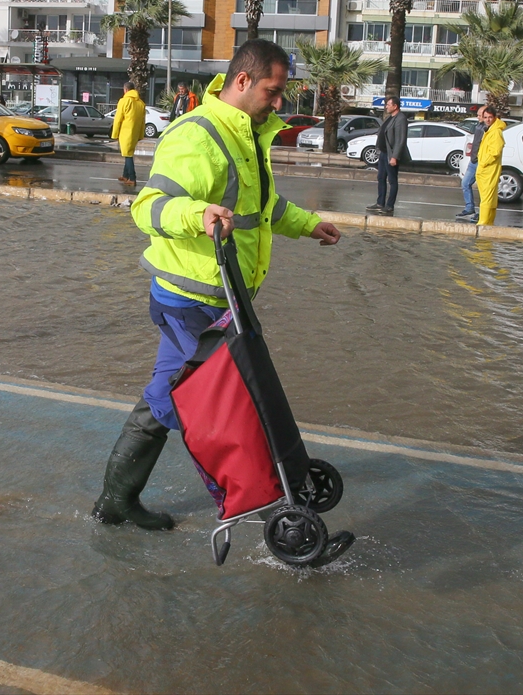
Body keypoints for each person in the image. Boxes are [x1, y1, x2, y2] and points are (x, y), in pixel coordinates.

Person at [92, 39, 343, 536]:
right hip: (191, 300)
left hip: (222, 298)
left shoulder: (249, 133)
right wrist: (197, 214)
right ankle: (278, 513)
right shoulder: (197, 135)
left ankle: (116, 500)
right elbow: (149, 207)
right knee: (237, 404)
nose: (279, 103)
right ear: (243, 81)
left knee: (165, 398)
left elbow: (260, 207)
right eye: (273, 92)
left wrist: (308, 224)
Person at [367, 95, 408, 216]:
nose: (386, 107)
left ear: (395, 106)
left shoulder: (401, 119)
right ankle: (380, 202)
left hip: (391, 154)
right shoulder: (390, 117)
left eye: (388, 105)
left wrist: (395, 157)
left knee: (392, 180)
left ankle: (390, 206)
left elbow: (400, 140)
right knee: (381, 177)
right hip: (383, 153)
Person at [473, 105, 506, 226]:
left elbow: (494, 152)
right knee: (489, 197)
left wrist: (483, 163)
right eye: (485, 117)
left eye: (490, 117)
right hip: (486, 169)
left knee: (486, 198)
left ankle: (483, 222)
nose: (487, 120)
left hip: (488, 169)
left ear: (494, 117)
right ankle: (488, 222)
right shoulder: (490, 130)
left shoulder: (495, 132)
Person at [111, 81, 145, 186]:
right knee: (128, 153)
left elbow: (118, 119)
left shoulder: (124, 101)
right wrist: (140, 135)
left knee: (128, 155)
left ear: (125, 90)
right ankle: (125, 176)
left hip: (125, 132)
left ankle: (132, 178)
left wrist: (115, 134)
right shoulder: (141, 103)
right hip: (134, 133)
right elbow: (143, 121)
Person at [456, 116, 487, 220]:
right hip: (473, 160)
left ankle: (482, 212)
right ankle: (470, 207)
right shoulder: (479, 126)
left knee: (483, 188)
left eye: (480, 115)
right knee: (465, 183)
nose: (478, 117)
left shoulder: (487, 128)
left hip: (480, 160)